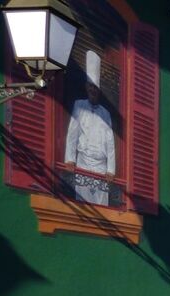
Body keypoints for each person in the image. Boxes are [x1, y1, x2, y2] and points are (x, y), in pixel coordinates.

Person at [64, 50, 115, 206]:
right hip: (83, 163)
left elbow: (110, 143)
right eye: (91, 87)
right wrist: (70, 159)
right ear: (87, 87)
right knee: (83, 203)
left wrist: (111, 170)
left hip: (100, 166)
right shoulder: (79, 106)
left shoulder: (105, 114)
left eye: (96, 88)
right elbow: (72, 133)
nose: (93, 90)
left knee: (101, 206)